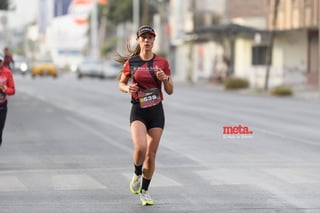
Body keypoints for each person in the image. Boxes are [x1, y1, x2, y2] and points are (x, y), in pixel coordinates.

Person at [117, 25, 174, 206]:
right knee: (140, 148)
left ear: (154, 40)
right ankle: (136, 172)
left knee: (151, 154)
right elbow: (121, 83)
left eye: (150, 37)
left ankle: (145, 191)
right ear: (138, 40)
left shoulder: (162, 63)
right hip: (139, 110)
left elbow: (170, 91)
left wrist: (164, 78)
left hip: (156, 111)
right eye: (144, 37)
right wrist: (128, 89)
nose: (147, 40)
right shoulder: (132, 62)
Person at [0, 54, 15, 147]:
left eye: (0, 61)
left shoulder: (7, 72)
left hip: (2, 106)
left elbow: (13, 90)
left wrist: (4, 89)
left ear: (2, 62)